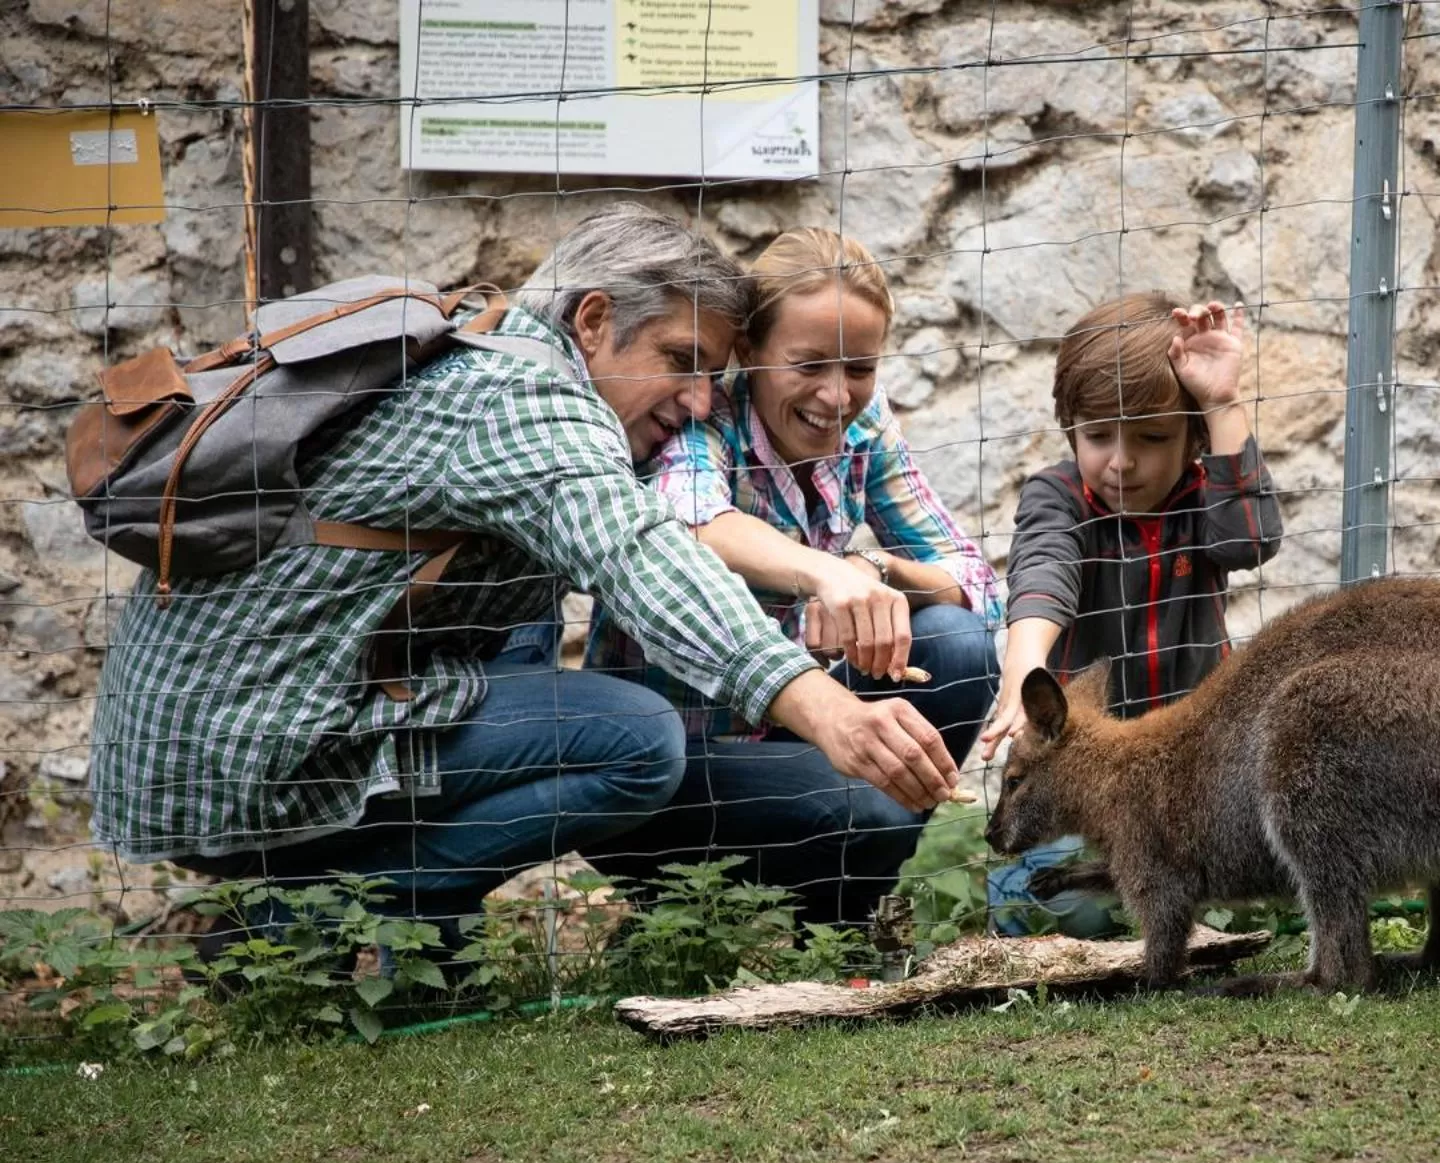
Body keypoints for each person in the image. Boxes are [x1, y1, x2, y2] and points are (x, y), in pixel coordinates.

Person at [86, 205, 962, 963]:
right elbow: (640, 554)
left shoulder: (491, 349)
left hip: (249, 722)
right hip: (239, 747)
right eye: (681, 359)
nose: (700, 400)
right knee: (636, 742)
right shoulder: (524, 398)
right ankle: (291, 918)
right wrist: (823, 707)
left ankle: (409, 935)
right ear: (591, 320)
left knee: (557, 668)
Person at [585, 228, 1000, 923]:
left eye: (859, 368)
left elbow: (979, 586)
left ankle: (835, 926)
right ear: (748, 354)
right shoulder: (701, 420)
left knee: (956, 643)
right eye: (809, 365)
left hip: (796, 726)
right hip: (676, 758)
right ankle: (680, 916)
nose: (837, 396)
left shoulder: (867, 430)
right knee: (871, 805)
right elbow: (687, 520)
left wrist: (873, 567)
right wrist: (821, 574)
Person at [977, 293, 1283, 935]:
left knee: (1209, 891)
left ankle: (1188, 906)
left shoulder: (1205, 499)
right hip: (1082, 782)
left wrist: (1222, 402)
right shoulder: (1057, 497)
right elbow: (1042, 570)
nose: (1121, 461)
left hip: (1192, 774)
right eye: (1098, 436)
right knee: (1045, 904)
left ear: (1193, 435)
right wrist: (1026, 665)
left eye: (1150, 437)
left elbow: (1250, 542)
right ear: (1071, 432)